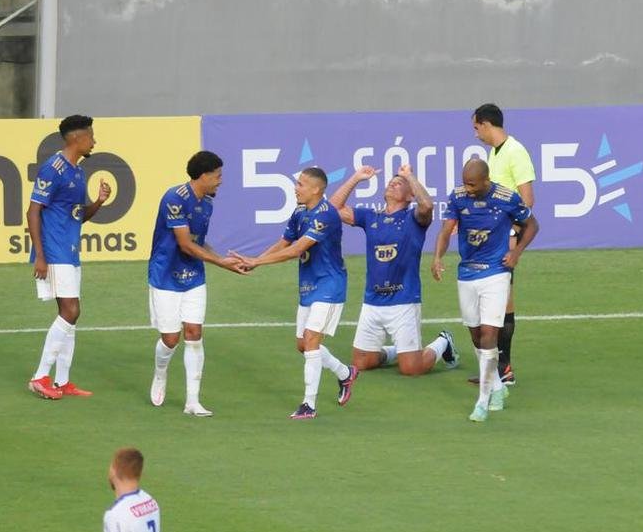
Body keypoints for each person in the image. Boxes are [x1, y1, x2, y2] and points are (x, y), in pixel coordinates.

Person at [231, 167, 357, 420]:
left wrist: (258, 263)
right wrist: (255, 260)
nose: (295, 188)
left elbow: (296, 249)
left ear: (316, 189)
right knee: (304, 346)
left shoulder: (327, 215)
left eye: (300, 184)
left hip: (330, 285)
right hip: (309, 285)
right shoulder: (300, 212)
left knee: (311, 340)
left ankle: (308, 405)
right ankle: (345, 373)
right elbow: (284, 243)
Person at [431, 159, 538, 422]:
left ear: (485, 180)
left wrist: (516, 253)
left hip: (495, 273)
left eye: (472, 184)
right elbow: (446, 231)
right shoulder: (457, 197)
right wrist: (437, 258)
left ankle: (483, 400)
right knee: (477, 337)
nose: (467, 188)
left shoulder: (506, 198)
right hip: (467, 272)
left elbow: (532, 225)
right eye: (465, 182)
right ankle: (499, 389)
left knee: (490, 334)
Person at [329, 164, 460, 376]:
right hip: (372, 301)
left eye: (399, 184)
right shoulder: (371, 216)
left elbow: (427, 206)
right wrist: (356, 178)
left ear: (410, 196)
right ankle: (397, 352)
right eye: (391, 182)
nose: (392, 183)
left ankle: (443, 342)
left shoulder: (414, 219)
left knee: (411, 369)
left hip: (404, 300)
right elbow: (332, 209)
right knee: (362, 362)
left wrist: (409, 176)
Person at [147, 151, 247, 417]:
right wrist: (220, 263)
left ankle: (192, 401)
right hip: (165, 275)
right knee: (170, 339)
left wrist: (223, 258)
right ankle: (160, 373)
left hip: (194, 277)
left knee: (193, 333)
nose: (220, 181)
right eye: (218, 176)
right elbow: (184, 244)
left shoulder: (208, 203)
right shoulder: (174, 198)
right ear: (203, 175)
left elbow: (197, 242)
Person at [26, 114, 112, 400]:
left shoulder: (78, 171)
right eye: (90, 136)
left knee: (72, 315)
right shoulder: (53, 169)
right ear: (76, 138)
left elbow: (78, 215)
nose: (94, 141)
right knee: (70, 311)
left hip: (71, 250)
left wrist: (98, 202)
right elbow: (33, 211)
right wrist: (40, 255)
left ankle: (62, 381)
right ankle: (40, 376)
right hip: (54, 251)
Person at [469, 102, 534, 386]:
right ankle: (496, 367)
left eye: (476, 127)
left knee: (503, 301)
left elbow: (527, 200)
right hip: (491, 237)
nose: (475, 134)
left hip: (505, 237)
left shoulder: (515, 152)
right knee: (495, 301)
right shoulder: (493, 154)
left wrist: (511, 234)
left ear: (486, 124)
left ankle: (503, 369)